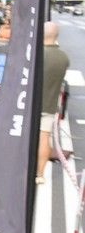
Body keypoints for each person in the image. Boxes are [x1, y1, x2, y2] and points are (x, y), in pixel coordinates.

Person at [37, 21, 71, 185]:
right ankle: (40, 174)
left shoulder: (35, 55)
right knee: (45, 138)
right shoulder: (63, 58)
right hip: (49, 104)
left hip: (30, 105)